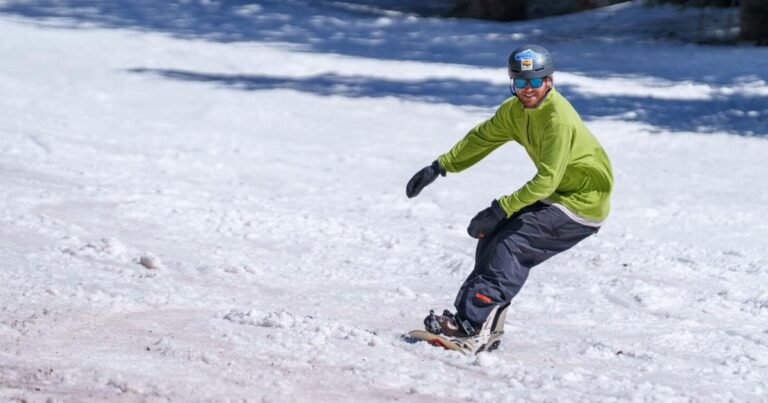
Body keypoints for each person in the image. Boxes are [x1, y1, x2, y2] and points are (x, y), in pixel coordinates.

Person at [405, 44, 613, 352]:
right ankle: (474, 321)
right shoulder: (514, 111)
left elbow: (546, 180)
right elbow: (482, 138)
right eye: (520, 82)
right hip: (558, 194)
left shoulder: (558, 119)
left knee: (511, 245)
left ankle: (474, 327)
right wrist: (440, 167)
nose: (528, 89)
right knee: (492, 237)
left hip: (583, 202)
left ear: (549, 81)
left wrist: (501, 208)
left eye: (535, 81)